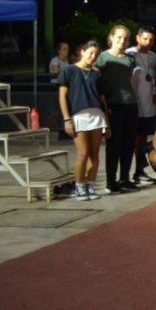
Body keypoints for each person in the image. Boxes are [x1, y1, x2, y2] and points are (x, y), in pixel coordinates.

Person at [57, 40, 110, 200]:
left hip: (96, 115)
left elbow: (103, 99)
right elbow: (62, 96)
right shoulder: (69, 71)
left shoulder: (97, 74)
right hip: (78, 116)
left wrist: (107, 122)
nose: (93, 57)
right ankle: (79, 185)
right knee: (83, 154)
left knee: (95, 154)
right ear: (82, 51)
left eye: (96, 54)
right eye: (90, 53)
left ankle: (91, 186)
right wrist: (67, 120)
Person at [97, 25, 139, 194]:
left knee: (129, 144)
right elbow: (98, 83)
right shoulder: (102, 58)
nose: (122, 41)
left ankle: (125, 178)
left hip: (130, 104)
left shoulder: (130, 59)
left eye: (125, 38)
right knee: (114, 144)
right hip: (113, 105)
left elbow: (128, 81)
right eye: (119, 37)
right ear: (111, 37)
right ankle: (110, 181)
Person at [127, 25, 156, 185]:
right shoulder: (129, 54)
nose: (148, 42)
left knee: (142, 140)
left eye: (151, 39)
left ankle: (139, 172)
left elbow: (154, 79)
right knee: (131, 141)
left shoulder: (154, 56)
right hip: (133, 105)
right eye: (145, 38)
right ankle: (125, 175)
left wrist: (155, 93)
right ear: (138, 38)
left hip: (148, 106)